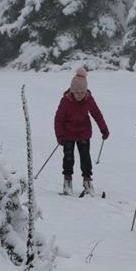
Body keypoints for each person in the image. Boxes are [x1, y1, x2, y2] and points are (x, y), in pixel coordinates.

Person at [53, 68, 109, 196]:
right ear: (72, 91)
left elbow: (96, 113)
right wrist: (59, 135)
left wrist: (103, 129)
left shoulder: (88, 99)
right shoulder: (66, 101)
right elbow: (59, 119)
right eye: (77, 93)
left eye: (82, 93)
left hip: (83, 132)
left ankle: (87, 180)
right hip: (68, 133)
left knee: (85, 157)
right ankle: (67, 181)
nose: (79, 95)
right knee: (68, 158)